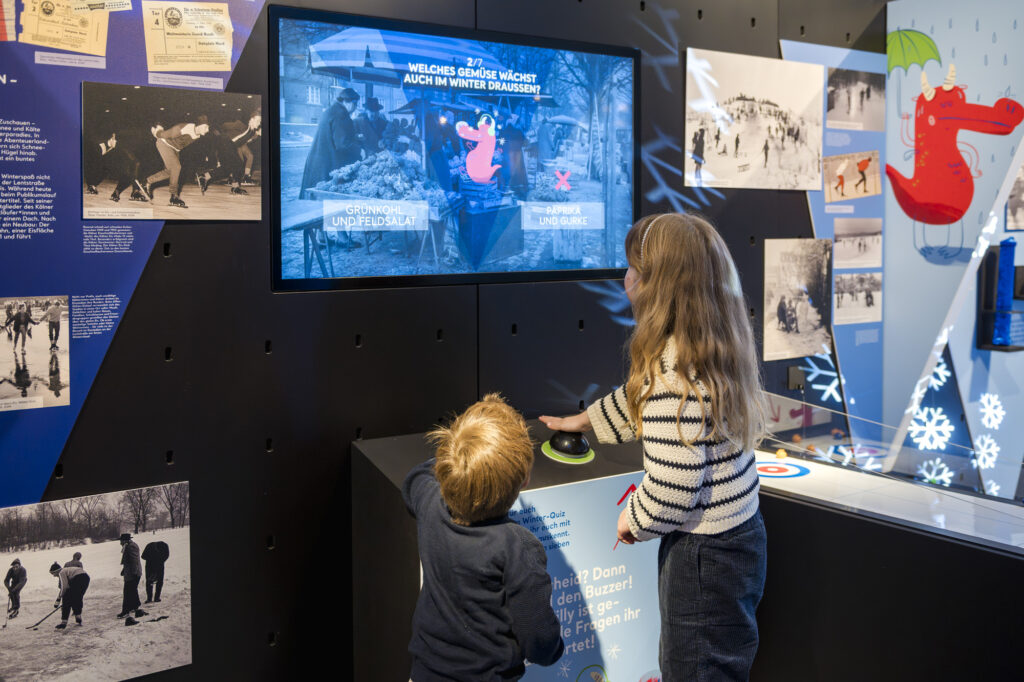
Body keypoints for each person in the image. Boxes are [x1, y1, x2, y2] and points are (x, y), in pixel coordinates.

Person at [540, 213, 768, 681]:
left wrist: (634, 520)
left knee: (694, 667)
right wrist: (585, 421)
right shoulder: (708, 345)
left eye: (634, 271)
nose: (625, 279)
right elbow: (639, 399)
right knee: (724, 661)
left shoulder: (672, 372)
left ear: (659, 287)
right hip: (741, 537)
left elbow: (674, 487)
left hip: (703, 556)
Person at [402, 393, 564, 681]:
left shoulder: (429, 504)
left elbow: (416, 478)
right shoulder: (517, 547)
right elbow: (539, 640)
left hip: (424, 673)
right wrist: (554, 650)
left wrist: (462, 449)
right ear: (524, 479)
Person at [299, 88, 362, 197]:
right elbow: (342, 145)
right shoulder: (342, 115)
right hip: (328, 165)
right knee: (323, 199)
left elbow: (333, 135)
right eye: (355, 104)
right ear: (347, 102)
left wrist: (354, 137)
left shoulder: (330, 111)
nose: (355, 108)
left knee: (313, 197)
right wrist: (359, 151)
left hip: (317, 163)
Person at [143, 119, 211, 208]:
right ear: (200, 125)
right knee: (176, 167)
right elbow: (163, 135)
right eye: (206, 127)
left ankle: (147, 182)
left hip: (175, 149)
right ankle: (174, 196)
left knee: (170, 172)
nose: (207, 130)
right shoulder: (184, 127)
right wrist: (157, 131)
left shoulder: (197, 135)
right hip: (164, 144)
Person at [50, 561, 90, 629]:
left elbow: (64, 587)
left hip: (78, 578)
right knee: (77, 598)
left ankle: (64, 622)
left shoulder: (61, 572)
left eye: (53, 573)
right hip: (86, 578)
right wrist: (59, 599)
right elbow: (66, 587)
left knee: (67, 599)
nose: (54, 576)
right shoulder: (67, 571)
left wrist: (61, 598)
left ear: (56, 571)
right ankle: (78, 617)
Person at [118, 533, 146, 623]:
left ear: (125, 540)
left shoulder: (131, 547)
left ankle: (126, 611)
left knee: (127, 591)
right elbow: (129, 561)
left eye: (121, 540)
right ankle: (135, 607)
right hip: (131, 572)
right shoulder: (129, 546)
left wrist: (133, 573)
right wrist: (124, 570)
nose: (120, 542)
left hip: (133, 574)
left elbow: (134, 561)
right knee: (132, 590)